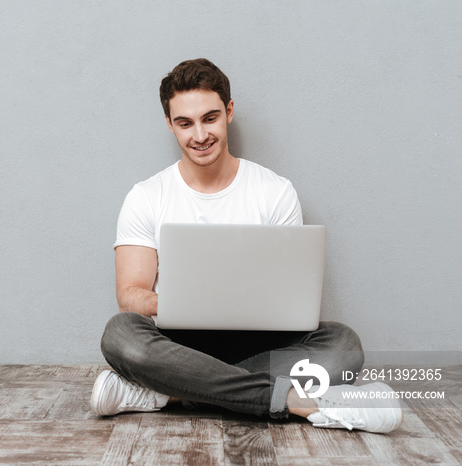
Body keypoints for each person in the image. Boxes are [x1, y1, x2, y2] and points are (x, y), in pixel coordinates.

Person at [89, 58, 403, 434]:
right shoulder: (146, 196)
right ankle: (298, 403)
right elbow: (130, 296)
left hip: (258, 345)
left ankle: (164, 394)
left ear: (229, 112)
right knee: (121, 334)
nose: (200, 135)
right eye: (185, 123)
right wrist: (191, 302)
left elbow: (292, 298)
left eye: (210, 118)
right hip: (177, 347)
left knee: (343, 347)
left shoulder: (274, 191)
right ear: (169, 124)